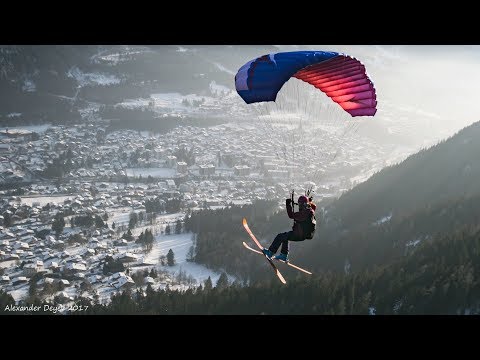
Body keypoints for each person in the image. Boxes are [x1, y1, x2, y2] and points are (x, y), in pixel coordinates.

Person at [262, 195, 317, 262]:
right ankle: (283, 255)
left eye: (300, 204)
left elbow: (291, 215)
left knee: (280, 236)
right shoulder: (311, 210)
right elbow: (314, 206)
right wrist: (309, 201)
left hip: (299, 235)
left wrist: (288, 204)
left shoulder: (304, 213)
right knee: (285, 236)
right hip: (303, 234)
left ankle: (270, 252)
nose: (299, 206)